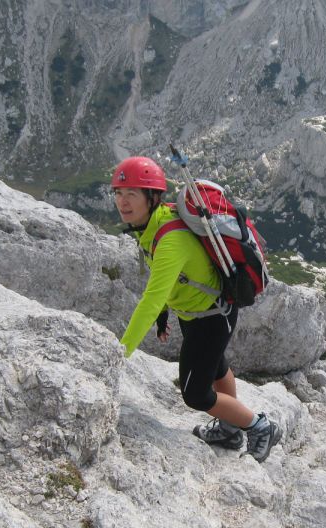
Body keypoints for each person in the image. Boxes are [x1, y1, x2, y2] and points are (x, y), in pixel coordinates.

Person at [113, 156, 282, 462]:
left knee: (195, 393)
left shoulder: (169, 239)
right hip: (203, 312)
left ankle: (260, 426)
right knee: (216, 367)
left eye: (132, 194)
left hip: (211, 317)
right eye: (118, 194)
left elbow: (150, 299)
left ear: (152, 198)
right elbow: (169, 282)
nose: (123, 202)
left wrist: (118, 355)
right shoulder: (154, 223)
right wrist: (165, 316)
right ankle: (231, 430)